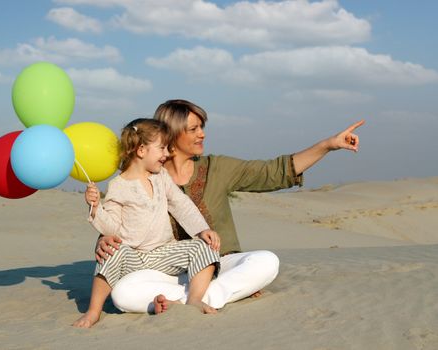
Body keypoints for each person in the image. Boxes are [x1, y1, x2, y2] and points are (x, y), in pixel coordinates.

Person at [95, 99, 364, 313]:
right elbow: (122, 220)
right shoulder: (146, 175)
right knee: (122, 295)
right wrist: (104, 239)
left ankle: (199, 298)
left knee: (266, 261)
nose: (202, 134)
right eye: (193, 129)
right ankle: (210, 296)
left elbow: (273, 172)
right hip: (167, 271)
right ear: (171, 135)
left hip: (220, 262)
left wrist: (328, 145)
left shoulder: (218, 167)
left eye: (202, 127)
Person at [73, 118, 222, 328]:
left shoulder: (161, 176)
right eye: (161, 148)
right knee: (111, 252)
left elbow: (180, 204)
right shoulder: (118, 186)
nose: (166, 154)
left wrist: (202, 229)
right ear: (141, 150)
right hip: (134, 256)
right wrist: (96, 208)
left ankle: (194, 299)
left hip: (164, 251)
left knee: (204, 247)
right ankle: (93, 311)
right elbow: (112, 227)